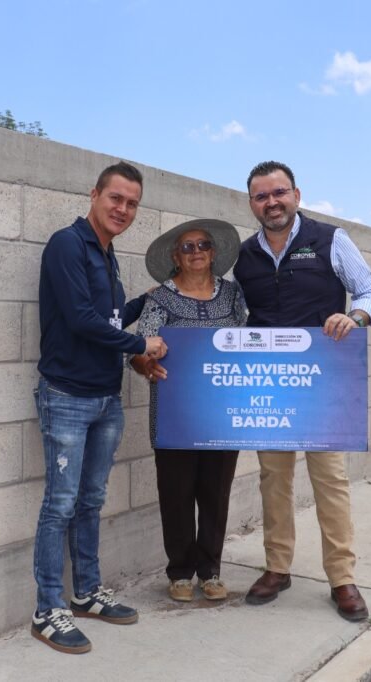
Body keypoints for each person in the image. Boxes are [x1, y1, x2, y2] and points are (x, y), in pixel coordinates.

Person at [232, 160, 371, 622]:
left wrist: (354, 317)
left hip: (322, 385)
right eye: (262, 196)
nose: (272, 202)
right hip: (270, 386)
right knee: (273, 480)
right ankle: (277, 568)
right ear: (252, 203)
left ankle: (342, 578)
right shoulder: (244, 255)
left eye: (279, 193)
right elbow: (235, 314)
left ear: (296, 195)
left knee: (330, 481)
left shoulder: (331, 239)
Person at [32, 161, 167, 655]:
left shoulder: (108, 256)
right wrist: (141, 344)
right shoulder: (67, 244)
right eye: (116, 198)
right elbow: (81, 319)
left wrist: (145, 301)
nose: (123, 209)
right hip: (67, 396)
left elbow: (107, 318)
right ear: (94, 195)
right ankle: (47, 610)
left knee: (90, 501)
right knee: (60, 505)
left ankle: (86, 592)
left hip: (106, 399)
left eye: (132, 203)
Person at [131, 219, 248, 603]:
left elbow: (247, 340)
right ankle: (180, 572)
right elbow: (138, 349)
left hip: (222, 412)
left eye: (202, 245)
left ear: (213, 253)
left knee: (216, 492)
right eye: (187, 247)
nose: (196, 252)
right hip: (174, 414)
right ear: (175, 257)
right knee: (176, 493)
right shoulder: (160, 299)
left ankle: (210, 571)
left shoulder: (232, 295)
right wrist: (146, 364)